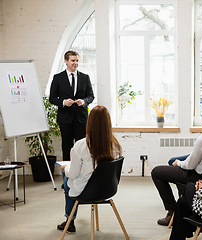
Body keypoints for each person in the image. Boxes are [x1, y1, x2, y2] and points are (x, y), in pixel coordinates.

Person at [152, 96, 202, 226]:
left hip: (197, 175)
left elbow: (190, 165)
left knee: (156, 172)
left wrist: (178, 163)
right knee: (174, 162)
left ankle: (172, 210)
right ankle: (182, 202)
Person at [57, 105, 122, 233]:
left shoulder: (81, 145)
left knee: (67, 176)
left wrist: (64, 168)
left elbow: (74, 174)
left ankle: (69, 221)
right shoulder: (115, 145)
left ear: (89, 122)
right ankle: (70, 220)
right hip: (107, 190)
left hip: (85, 192)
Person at [49, 50, 94, 161]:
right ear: (66, 61)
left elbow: (91, 96)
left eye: (77, 61)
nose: (75, 63)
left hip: (81, 119)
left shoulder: (85, 77)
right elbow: (52, 98)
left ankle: (81, 175)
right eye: (73, 60)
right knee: (66, 147)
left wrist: (83, 101)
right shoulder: (58, 78)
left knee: (82, 148)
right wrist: (63, 102)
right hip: (65, 119)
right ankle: (67, 176)